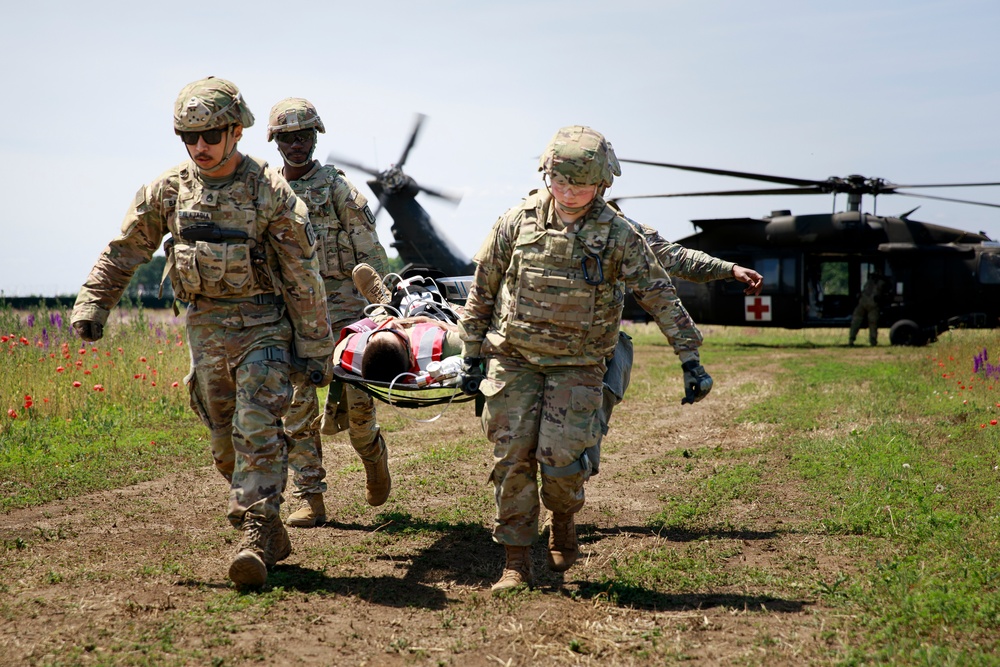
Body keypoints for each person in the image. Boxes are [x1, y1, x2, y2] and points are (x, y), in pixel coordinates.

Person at [70, 77, 335, 588]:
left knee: (257, 424)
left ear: (236, 131)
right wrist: (93, 304)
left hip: (265, 324)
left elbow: (303, 272)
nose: (200, 147)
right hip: (206, 329)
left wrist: (315, 347)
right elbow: (125, 249)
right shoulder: (168, 190)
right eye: (189, 137)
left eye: (210, 135)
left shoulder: (268, 190)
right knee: (223, 445)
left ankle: (257, 536)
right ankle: (274, 527)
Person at [457, 125, 711, 593]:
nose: (569, 192)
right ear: (546, 174)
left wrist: (689, 358)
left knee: (562, 463)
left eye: (581, 184)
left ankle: (563, 518)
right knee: (511, 460)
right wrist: (470, 356)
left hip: (578, 365)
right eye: (560, 181)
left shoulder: (618, 235)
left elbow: (659, 295)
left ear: (603, 184)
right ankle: (516, 562)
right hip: (514, 359)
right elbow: (483, 289)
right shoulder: (517, 221)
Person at [266, 98, 392, 527]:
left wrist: (382, 308)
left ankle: (373, 455)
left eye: (303, 136)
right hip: (297, 320)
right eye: (287, 137)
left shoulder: (337, 188)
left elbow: (371, 252)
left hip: (349, 319)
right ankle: (311, 499)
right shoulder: (268, 192)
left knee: (358, 415)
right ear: (275, 141)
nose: (296, 144)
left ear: (315, 137)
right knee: (298, 410)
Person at [848, 270, 890, 346]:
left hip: (862, 302)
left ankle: (851, 339)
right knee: (873, 323)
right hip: (873, 304)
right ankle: (873, 341)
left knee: (856, 321)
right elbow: (883, 294)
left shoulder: (869, 281)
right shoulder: (882, 283)